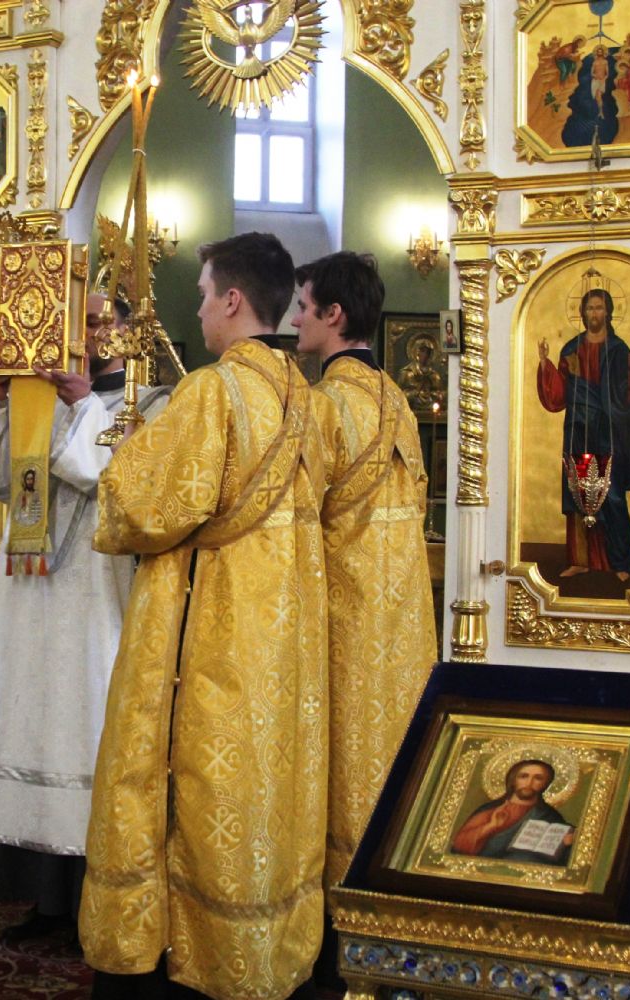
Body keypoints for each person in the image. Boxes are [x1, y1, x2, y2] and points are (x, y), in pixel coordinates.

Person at [80, 233, 328, 1000]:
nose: (197, 311)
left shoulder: (213, 392)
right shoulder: (308, 399)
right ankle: (267, 951)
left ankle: (187, 958)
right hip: (284, 635)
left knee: (192, 786)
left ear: (232, 299)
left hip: (211, 625)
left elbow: (146, 510)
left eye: (201, 295)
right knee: (264, 791)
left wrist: (128, 455)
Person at [0, 295, 170, 944]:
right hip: (28, 596)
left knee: (87, 727)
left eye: (102, 321)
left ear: (130, 330)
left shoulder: (154, 403)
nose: (89, 333)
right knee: (26, 722)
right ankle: (39, 896)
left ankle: (94, 900)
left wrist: (84, 405)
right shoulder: (36, 398)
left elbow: (123, 483)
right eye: (79, 321)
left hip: (99, 593)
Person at [292, 252, 438, 890]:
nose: (294, 320)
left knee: (342, 754)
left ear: (334, 314)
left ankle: (337, 902)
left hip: (343, 615)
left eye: (303, 307)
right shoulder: (396, 399)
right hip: (404, 619)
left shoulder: (324, 405)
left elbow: (297, 519)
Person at [536, 287, 630, 583]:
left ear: (609, 312)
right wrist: (545, 365)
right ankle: (579, 560)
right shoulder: (571, 349)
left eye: (599, 308)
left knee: (612, 495)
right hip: (577, 429)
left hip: (608, 431)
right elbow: (558, 396)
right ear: (582, 313)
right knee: (577, 492)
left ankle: (621, 561)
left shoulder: (618, 350)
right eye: (589, 308)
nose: (594, 313)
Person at [450, 759, 574, 866]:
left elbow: (559, 859)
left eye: (538, 778)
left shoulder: (550, 815)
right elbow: (460, 846)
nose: (529, 783)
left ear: (545, 784)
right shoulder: (491, 809)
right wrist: (491, 826)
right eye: (523, 776)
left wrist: (565, 844)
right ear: (513, 780)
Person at [394, 335, 445, 413]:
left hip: (431, 410)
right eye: (422, 351)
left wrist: (431, 395)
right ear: (416, 352)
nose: (425, 355)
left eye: (428, 352)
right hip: (410, 410)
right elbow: (398, 395)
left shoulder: (434, 375)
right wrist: (415, 393)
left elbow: (440, 394)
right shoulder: (407, 373)